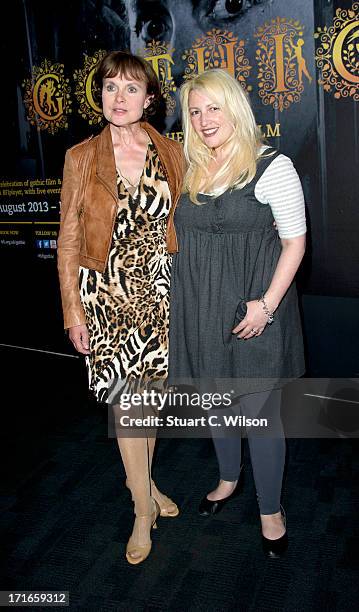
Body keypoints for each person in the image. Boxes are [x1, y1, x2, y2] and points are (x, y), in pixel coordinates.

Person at [169, 68, 306, 557]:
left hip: (255, 310)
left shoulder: (274, 167)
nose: (205, 119)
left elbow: (294, 244)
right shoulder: (187, 165)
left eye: (214, 107)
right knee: (217, 404)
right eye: (196, 110)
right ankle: (228, 478)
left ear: (236, 108)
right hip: (201, 307)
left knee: (261, 415)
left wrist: (266, 307)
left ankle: (271, 508)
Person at [57, 51, 184, 564]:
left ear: (150, 98)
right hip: (105, 296)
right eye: (110, 88)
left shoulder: (172, 151)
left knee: (146, 406)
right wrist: (72, 312)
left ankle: (147, 486)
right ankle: (141, 509)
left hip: (159, 294)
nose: (119, 98)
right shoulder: (80, 157)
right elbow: (67, 240)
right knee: (125, 407)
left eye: (131, 88)